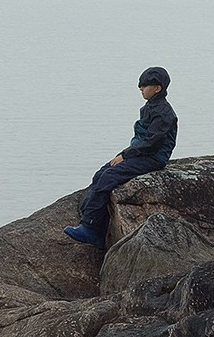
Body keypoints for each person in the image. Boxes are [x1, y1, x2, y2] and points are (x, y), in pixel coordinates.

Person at [64, 68, 176, 247]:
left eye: (145, 85)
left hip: (154, 158)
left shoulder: (163, 112)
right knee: (101, 173)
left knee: (109, 177)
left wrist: (125, 155)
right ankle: (96, 227)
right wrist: (123, 154)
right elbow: (143, 141)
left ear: (157, 88)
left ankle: (90, 228)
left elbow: (152, 143)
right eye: (140, 85)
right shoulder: (150, 107)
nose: (141, 88)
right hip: (143, 153)